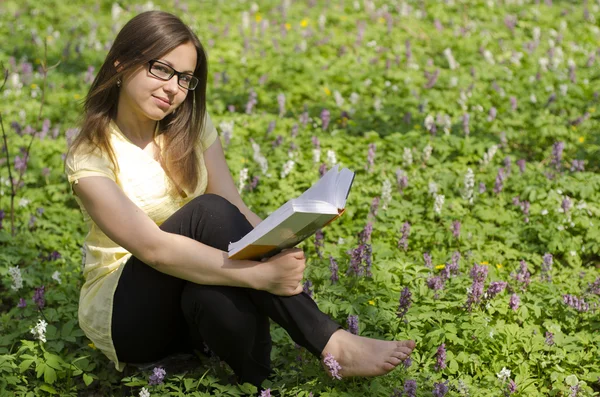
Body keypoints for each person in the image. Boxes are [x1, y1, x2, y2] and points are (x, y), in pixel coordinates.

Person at [64, 10, 415, 388]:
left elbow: (234, 205)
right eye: (161, 70)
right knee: (207, 213)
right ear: (122, 62)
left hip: (190, 296)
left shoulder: (191, 126)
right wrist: (261, 275)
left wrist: (278, 243)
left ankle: (260, 383)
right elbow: (153, 249)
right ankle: (331, 342)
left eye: (184, 79)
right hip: (130, 315)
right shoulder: (90, 155)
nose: (174, 89)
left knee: (214, 288)